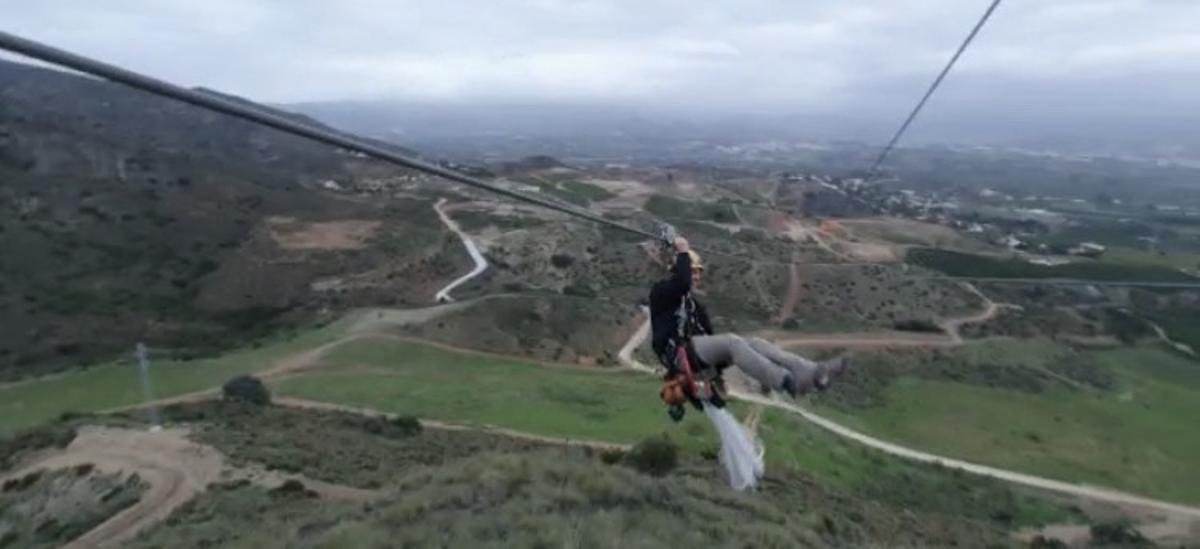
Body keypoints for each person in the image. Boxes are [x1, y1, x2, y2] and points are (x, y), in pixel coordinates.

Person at [649, 236, 848, 404]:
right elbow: (681, 284)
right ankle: (785, 381)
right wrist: (683, 250)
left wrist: (715, 379)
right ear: (677, 270)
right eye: (692, 271)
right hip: (677, 355)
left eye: (698, 273)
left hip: (693, 356)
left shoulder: (693, 306)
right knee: (732, 342)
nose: (696, 277)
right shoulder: (661, 292)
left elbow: (708, 338)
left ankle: (812, 372)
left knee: (755, 343)